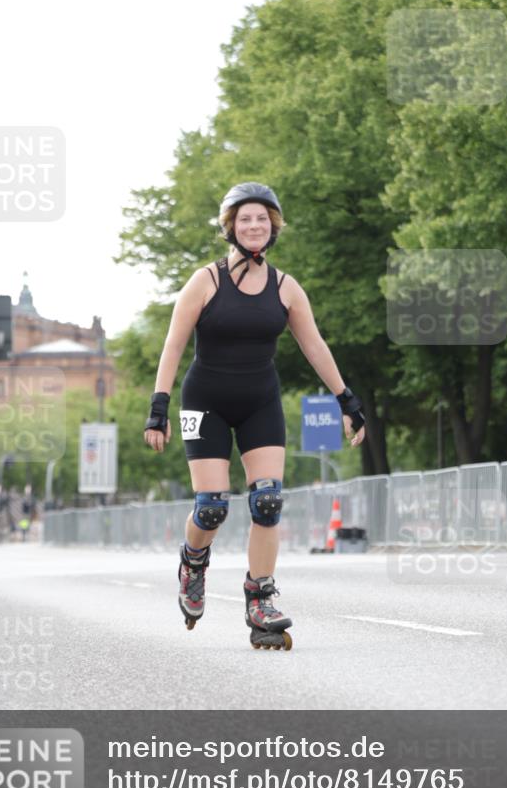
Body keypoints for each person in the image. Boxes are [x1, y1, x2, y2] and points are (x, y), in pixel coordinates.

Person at [143, 182, 365, 649]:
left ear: (273, 226)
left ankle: (259, 596)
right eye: (245, 219)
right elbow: (173, 344)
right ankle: (193, 564)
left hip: (260, 399)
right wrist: (158, 407)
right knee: (212, 507)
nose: (254, 226)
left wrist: (347, 400)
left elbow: (315, 347)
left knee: (267, 502)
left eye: (262, 218)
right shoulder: (205, 281)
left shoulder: (286, 288)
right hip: (203, 402)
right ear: (231, 227)